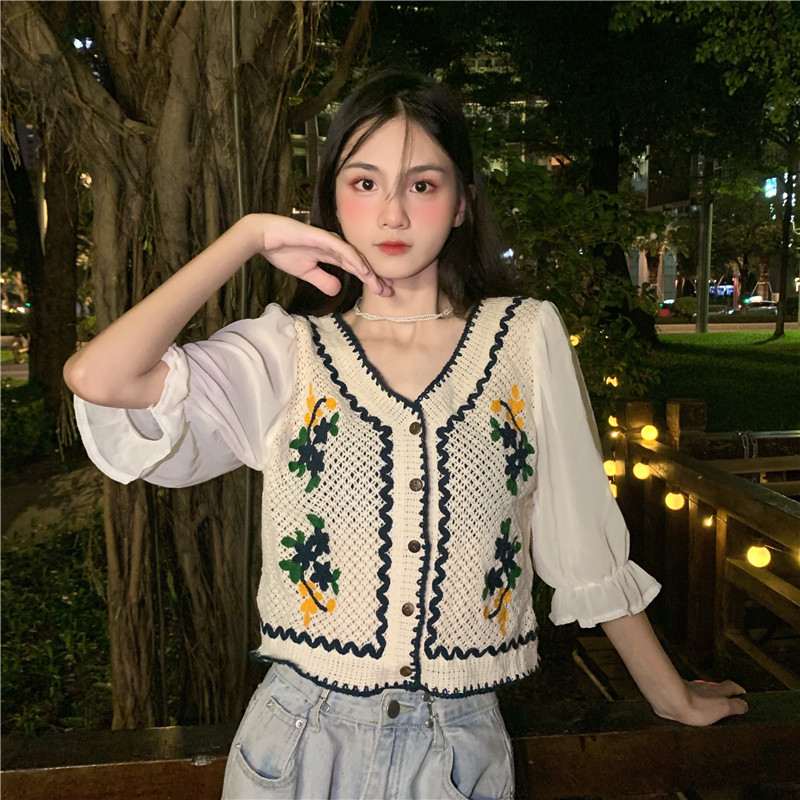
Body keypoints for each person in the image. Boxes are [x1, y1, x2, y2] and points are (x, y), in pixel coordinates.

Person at [65, 70, 747, 800]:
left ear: (462, 203)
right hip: (294, 746)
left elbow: (582, 541)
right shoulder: (287, 353)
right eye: (364, 183)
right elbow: (100, 377)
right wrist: (249, 236)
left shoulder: (525, 338)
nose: (392, 212)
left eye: (422, 184)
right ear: (332, 200)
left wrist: (670, 695)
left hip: (458, 750)